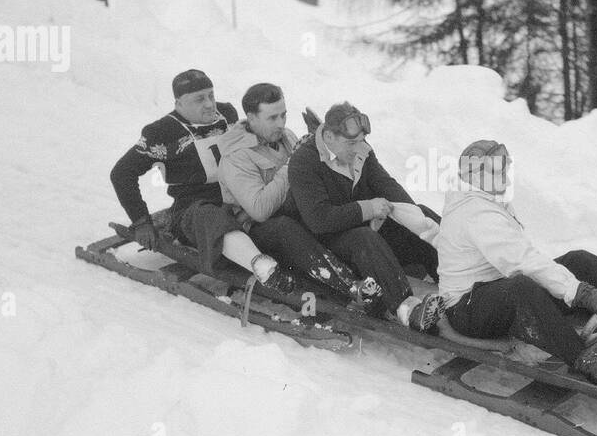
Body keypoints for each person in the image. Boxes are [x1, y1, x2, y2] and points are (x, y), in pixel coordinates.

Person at [436, 139, 597, 386]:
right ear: (475, 175)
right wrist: (582, 294)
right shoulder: (475, 213)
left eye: (505, 164)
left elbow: (525, 260)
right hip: (466, 311)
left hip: (492, 293)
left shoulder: (485, 200)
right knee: (521, 287)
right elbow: (522, 261)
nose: (505, 172)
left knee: (576, 261)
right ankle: (583, 359)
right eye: (496, 167)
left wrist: (574, 288)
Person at [109, 68, 292, 298]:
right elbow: (122, 172)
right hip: (193, 208)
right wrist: (141, 220)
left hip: (241, 196)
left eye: (211, 96)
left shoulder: (227, 114)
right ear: (179, 103)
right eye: (199, 99)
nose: (209, 104)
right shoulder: (162, 132)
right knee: (211, 218)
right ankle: (260, 265)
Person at [217, 82, 382, 307]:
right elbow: (259, 210)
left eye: (283, 115)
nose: (281, 124)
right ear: (251, 118)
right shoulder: (235, 156)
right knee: (285, 228)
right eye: (272, 118)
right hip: (261, 231)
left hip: (297, 213)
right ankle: (350, 285)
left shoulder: (286, 136)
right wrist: (293, 163)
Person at [288, 102, 444, 332]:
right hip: (327, 242)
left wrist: (414, 217)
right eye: (351, 142)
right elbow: (319, 219)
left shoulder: (360, 149)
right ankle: (407, 308)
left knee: (421, 214)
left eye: (361, 141)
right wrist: (368, 208)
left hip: (363, 227)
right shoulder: (304, 162)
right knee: (364, 238)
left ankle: (460, 281)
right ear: (329, 136)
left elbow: (385, 184)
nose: (358, 148)